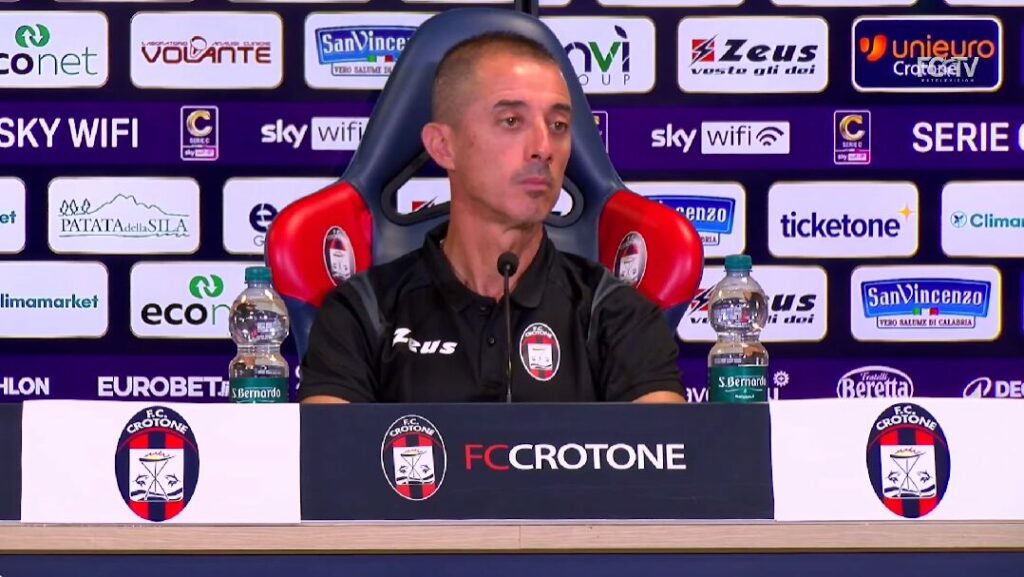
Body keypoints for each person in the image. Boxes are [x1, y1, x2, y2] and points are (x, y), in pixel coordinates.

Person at [299, 31, 684, 404]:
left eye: (559, 126)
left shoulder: (617, 313)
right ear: (443, 146)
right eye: (512, 121)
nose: (543, 147)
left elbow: (666, 446)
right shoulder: (361, 312)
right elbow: (330, 447)